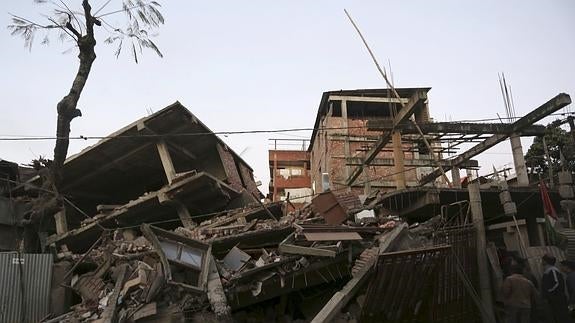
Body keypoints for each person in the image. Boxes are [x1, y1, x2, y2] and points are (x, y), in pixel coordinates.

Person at [541, 254, 571, 323]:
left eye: (542, 260)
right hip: (553, 298)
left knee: (560, 317)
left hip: (557, 298)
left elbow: (556, 283)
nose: (541, 262)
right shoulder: (548, 270)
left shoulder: (552, 270)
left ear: (545, 261)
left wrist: (548, 292)